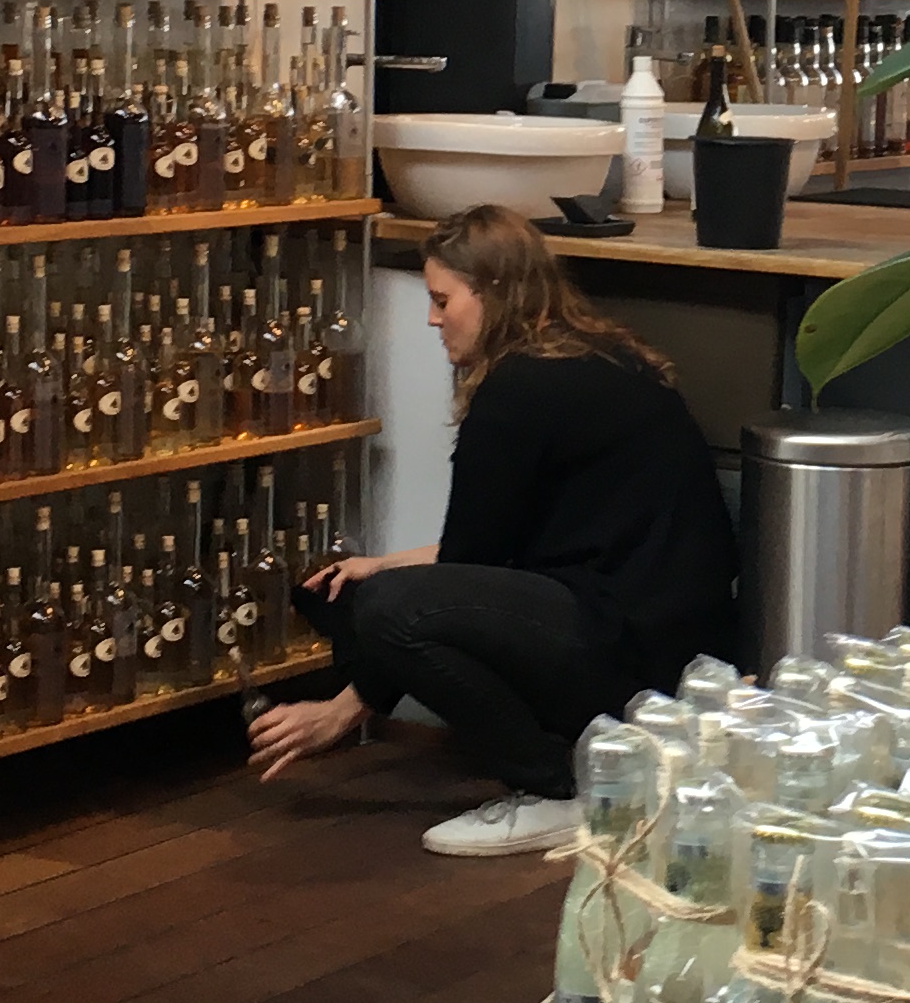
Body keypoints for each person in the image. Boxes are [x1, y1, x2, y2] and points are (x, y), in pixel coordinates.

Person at [246, 203, 740, 855]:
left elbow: (466, 566)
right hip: (672, 641)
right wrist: (383, 564)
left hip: (631, 651)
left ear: (493, 291)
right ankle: (579, 752)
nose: (433, 319)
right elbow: (505, 545)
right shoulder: (601, 354)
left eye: (442, 300)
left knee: (385, 611)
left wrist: (344, 709)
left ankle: (555, 789)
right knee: (347, 593)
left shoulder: (516, 390)